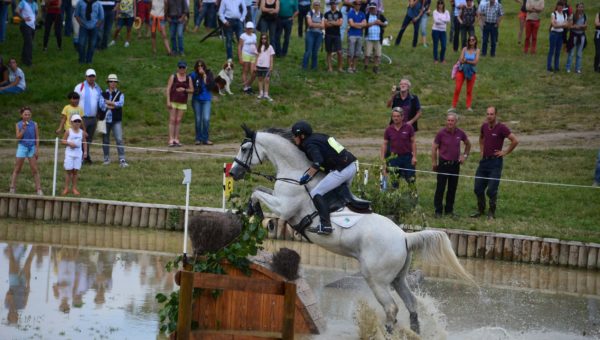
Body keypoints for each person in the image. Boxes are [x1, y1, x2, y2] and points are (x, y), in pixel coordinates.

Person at [292, 120, 358, 235]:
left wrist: (307, 176)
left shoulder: (309, 144)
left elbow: (318, 162)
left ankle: (326, 225)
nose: (294, 138)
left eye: (295, 136)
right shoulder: (318, 137)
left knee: (316, 192)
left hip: (342, 170)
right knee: (335, 193)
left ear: (302, 136)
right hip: (351, 165)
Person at [471, 106, 519, 220]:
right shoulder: (484, 126)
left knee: (491, 190)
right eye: (487, 114)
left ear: (496, 115)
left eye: (491, 114)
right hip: (484, 162)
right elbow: (481, 138)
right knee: (478, 188)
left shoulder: (501, 128)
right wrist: (482, 150)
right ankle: (480, 210)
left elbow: (515, 140)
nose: (489, 116)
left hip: (495, 163)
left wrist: (505, 152)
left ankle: (491, 212)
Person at [431, 112, 471, 218]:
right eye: (448, 120)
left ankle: (449, 210)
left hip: (455, 165)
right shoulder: (441, 133)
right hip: (443, 164)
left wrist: (464, 156)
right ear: (446, 121)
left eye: (452, 120)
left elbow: (468, 144)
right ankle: (438, 210)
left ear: (456, 122)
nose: (450, 122)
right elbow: (434, 148)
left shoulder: (460, 133)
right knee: (440, 188)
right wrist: (434, 162)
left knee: (452, 188)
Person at [9, 106, 42, 195]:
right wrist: (23, 129)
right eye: (25, 114)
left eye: (29, 114)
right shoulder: (18, 124)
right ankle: (12, 187)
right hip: (22, 146)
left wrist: (37, 149)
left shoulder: (34, 124)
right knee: (17, 168)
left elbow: (37, 137)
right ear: (21, 115)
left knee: (35, 169)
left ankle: (38, 189)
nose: (27, 116)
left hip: (32, 147)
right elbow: (18, 138)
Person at [381, 107, 417, 187]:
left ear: (402, 117)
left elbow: (413, 142)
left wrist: (414, 157)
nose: (396, 118)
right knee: (394, 180)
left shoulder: (409, 127)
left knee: (411, 179)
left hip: (407, 157)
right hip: (394, 158)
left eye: (398, 116)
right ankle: (395, 197)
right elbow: (384, 144)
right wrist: (383, 159)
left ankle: (413, 196)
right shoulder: (389, 129)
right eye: (394, 116)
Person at [99, 74, 129, 167]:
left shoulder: (120, 94)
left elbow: (120, 104)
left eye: (115, 81)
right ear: (108, 83)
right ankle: (106, 158)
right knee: (105, 139)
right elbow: (101, 105)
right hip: (106, 120)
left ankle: (122, 159)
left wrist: (108, 102)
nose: (113, 83)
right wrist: (112, 105)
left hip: (116, 120)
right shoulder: (103, 93)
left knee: (119, 139)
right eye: (111, 81)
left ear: (117, 83)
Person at [74, 68, 102, 164]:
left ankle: (86, 156)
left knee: (89, 138)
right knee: (82, 137)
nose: (91, 78)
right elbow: (74, 100)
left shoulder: (98, 88)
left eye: (93, 76)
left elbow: (100, 102)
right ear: (86, 77)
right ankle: (81, 157)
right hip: (83, 117)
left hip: (94, 117)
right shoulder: (80, 87)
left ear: (95, 77)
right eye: (89, 76)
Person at [166, 60, 193, 147]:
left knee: (178, 120)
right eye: (180, 67)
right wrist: (168, 101)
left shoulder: (188, 78)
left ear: (186, 68)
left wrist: (184, 90)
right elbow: (168, 89)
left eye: (183, 67)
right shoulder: (173, 77)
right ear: (177, 68)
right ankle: (171, 139)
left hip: (182, 101)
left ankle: (176, 139)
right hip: (173, 100)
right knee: (172, 119)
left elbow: (192, 90)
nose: (182, 69)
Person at [450, 34, 479, 112]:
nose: (471, 41)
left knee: (469, 90)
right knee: (457, 88)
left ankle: (468, 106)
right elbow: (460, 59)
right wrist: (468, 61)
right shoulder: (464, 49)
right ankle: (453, 106)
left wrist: (466, 61)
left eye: (473, 40)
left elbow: (475, 62)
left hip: (471, 71)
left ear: (475, 41)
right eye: (469, 40)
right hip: (462, 70)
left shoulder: (477, 50)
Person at [190, 59, 215, 145]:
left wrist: (204, 76)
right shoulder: (193, 75)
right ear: (196, 67)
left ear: (204, 66)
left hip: (206, 99)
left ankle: (205, 138)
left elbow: (211, 86)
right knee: (198, 119)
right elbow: (186, 81)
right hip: (196, 99)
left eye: (202, 66)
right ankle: (198, 138)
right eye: (198, 66)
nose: (200, 67)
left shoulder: (209, 74)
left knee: (206, 118)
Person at [62, 114, 87, 195]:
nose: (77, 123)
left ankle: (74, 188)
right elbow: (63, 141)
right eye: (75, 121)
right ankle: (66, 188)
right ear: (71, 122)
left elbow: (84, 142)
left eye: (79, 121)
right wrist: (69, 143)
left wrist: (85, 152)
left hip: (78, 154)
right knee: (68, 171)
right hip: (69, 153)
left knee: (75, 171)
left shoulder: (82, 132)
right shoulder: (68, 131)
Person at [363, 2, 387, 73]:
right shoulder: (366, 16)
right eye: (371, 8)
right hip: (369, 38)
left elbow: (386, 23)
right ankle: (366, 66)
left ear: (376, 8)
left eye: (373, 8)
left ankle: (375, 67)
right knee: (367, 54)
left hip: (378, 38)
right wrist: (373, 23)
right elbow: (364, 25)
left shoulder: (380, 16)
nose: (372, 9)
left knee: (377, 54)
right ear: (369, 9)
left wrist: (380, 23)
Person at [302, 0, 324, 70]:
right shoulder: (309, 13)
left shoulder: (322, 15)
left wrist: (314, 24)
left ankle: (314, 67)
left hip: (319, 34)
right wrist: (319, 25)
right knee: (308, 50)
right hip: (310, 33)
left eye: (318, 5)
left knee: (315, 51)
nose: (316, 6)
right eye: (315, 4)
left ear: (320, 6)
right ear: (313, 5)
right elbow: (309, 24)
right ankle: (304, 67)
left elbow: (323, 26)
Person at [565, 2, 587, 74]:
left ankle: (577, 68)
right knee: (571, 52)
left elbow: (585, 26)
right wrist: (575, 26)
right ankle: (568, 67)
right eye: (579, 7)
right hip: (574, 35)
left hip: (581, 35)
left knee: (579, 53)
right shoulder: (573, 15)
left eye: (582, 7)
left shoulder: (585, 16)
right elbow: (569, 26)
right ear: (577, 8)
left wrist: (580, 26)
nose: (581, 8)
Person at [547, 1, 568, 72]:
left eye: (562, 6)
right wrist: (561, 25)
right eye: (559, 6)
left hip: (560, 34)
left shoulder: (565, 15)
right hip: (554, 34)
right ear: (557, 6)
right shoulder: (554, 14)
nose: (560, 7)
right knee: (551, 50)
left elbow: (566, 25)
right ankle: (549, 66)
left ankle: (556, 66)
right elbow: (554, 25)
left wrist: (558, 24)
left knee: (558, 51)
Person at [16, 0, 38, 66]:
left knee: (27, 43)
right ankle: (29, 62)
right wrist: (23, 18)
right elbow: (17, 11)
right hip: (25, 25)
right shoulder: (23, 2)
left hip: (32, 26)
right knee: (29, 44)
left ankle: (23, 59)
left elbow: (36, 13)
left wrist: (34, 20)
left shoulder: (35, 4)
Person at [324, 0, 343, 72]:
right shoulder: (326, 14)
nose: (333, 5)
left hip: (337, 35)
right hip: (328, 34)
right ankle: (330, 67)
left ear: (336, 5)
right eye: (332, 4)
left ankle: (340, 67)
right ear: (330, 5)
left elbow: (340, 23)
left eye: (335, 4)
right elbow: (325, 24)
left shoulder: (339, 13)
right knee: (329, 52)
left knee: (339, 52)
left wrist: (331, 22)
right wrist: (335, 22)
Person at [346, 0, 364, 73]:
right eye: (356, 4)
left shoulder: (362, 13)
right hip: (352, 35)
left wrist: (355, 24)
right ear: (354, 5)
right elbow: (351, 24)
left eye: (359, 4)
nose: (358, 5)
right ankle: (349, 67)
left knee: (357, 53)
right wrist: (360, 25)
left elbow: (365, 24)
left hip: (359, 35)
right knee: (351, 52)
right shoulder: (350, 13)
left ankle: (354, 67)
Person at [256, 33, 276, 100]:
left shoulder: (270, 47)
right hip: (259, 66)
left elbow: (271, 57)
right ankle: (261, 93)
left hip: (266, 66)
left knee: (267, 80)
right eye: (262, 38)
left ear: (267, 39)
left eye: (265, 38)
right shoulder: (259, 47)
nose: (263, 40)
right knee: (260, 79)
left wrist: (271, 66)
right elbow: (257, 56)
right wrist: (255, 65)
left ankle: (266, 94)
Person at [239, 21, 257, 93]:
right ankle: (246, 87)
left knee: (253, 72)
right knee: (245, 70)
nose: (250, 30)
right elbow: (240, 46)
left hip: (253, 54)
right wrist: (240, 57)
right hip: (245, 54)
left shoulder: (254, 35)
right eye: (248, 28)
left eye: (251, 28)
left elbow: (256, 45)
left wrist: (257, 53)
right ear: (246, 28)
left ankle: (248, 84)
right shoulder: (243, 36)